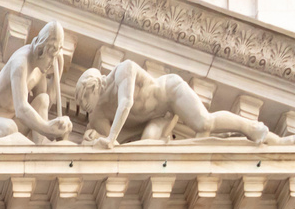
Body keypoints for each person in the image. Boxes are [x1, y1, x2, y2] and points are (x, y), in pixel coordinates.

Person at [76, 59, 282, 146]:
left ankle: (252, 128)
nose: (83, 107)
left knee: (204, 123)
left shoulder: (124, 70)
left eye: (84, 99)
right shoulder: (98, 114)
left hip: (170, 94)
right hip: (157, 119)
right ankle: (224, 138)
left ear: (93, 87)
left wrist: (110, 138)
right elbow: (113, 144)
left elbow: (126, 103)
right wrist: (93, 138)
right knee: (147, 147)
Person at [0, 20, 72, 144]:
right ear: (40, 50)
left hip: (14, 123)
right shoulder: (21, 64)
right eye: (51, 57)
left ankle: (40, 152)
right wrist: (48, 129)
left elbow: (43, 108)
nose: (52, 62)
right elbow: (21, 109)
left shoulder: (39, 68)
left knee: (43, 99)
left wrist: (57, 75)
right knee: (9, 127)